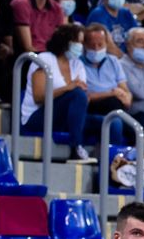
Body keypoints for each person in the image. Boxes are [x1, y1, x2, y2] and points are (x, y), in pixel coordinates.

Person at [22, 23, 124, 161]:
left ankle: (114, 163)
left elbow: (83, 98)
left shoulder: (77, 64)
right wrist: (67, 88)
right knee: (76, 93)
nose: (80, 46)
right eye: (78, 42)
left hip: (68, 117)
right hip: (38, 116)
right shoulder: (44, 59)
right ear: (66, 41)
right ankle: (76, 147)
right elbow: (38, 97)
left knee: (113, 123)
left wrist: (76, 92)